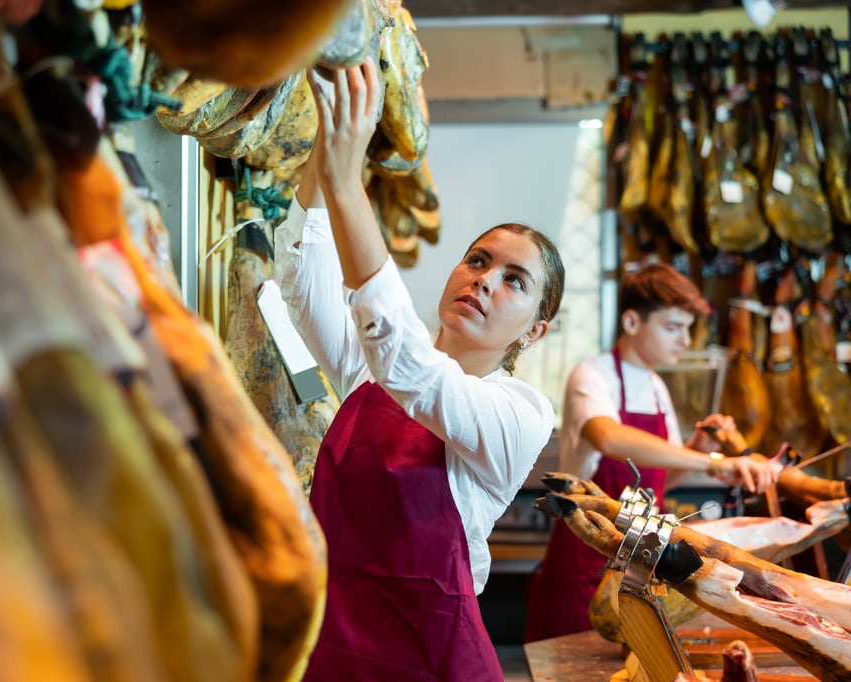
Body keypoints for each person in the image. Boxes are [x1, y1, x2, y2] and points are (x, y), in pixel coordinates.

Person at [273, 58, 565, 681]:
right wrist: (327, 152)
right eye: (478, 261)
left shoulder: (520, 415)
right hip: (333, 654)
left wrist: (349, 184)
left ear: (536, 329)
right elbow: (301, 277)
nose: (485, 281)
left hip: (430, 665)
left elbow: (412, 367)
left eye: (514, 281)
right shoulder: (369, 373)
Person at [523, 261, 780, 643]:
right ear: (631, 322)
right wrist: (714, 463)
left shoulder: (657, 386)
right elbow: (610, 439)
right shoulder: (591, 376)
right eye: (673, 327)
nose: (684, 340)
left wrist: (697, 449)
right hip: (584, 563)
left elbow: (661, 480)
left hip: (640, 564)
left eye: (688, 329)